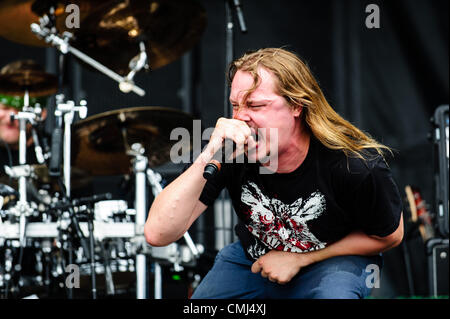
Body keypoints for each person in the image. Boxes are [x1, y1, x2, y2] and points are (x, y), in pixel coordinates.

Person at [144, 48, 404, 299]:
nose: (241, 117)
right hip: (253, 259)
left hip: (333, 258)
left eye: (256, 106)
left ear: (297, 106)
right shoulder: (233, 151)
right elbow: (158, 234)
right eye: (235, 105)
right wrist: (210, 152)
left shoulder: (351, 164)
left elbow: (391, 235)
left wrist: (301, 259)